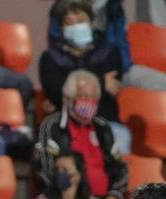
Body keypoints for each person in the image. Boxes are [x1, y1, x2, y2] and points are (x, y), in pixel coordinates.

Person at [35, 69, 128, 199]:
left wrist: (113, 198)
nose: (89, 102)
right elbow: (44, 170)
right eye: (83, 97)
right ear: (69, 98)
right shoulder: (52, 126)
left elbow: (120, 168)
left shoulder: (103, 128)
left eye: (93, 98)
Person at [39, 0, 130, 154]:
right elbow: (55, 92)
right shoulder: (50, 58)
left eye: (80, 21)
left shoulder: (110, 52)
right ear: (61, 29)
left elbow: (112, 87)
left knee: (119, 144)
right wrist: (101, 82)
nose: (75, 26)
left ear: (91, 22)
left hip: (106, 121)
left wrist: (69, 87)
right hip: (65, 125)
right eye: (69, 23)